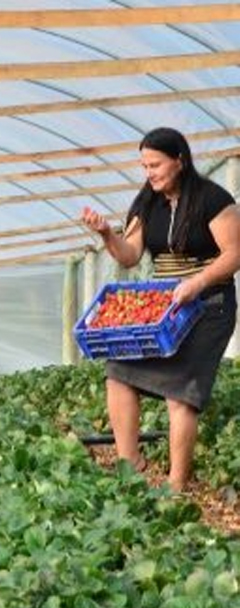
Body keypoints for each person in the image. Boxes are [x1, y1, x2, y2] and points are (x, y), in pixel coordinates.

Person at [81, 127, 240, 492]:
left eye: (155, 164)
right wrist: (107, 235)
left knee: (180, 391)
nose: (149, 172)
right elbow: (130, 256)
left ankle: (176, 485)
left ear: (179, 161)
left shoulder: (212, 199)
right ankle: (129, 463)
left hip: (209, 306)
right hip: (164, 311)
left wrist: (197, 282)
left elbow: (235, 253)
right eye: (144, 166)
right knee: (119, 370)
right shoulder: (147, 202)